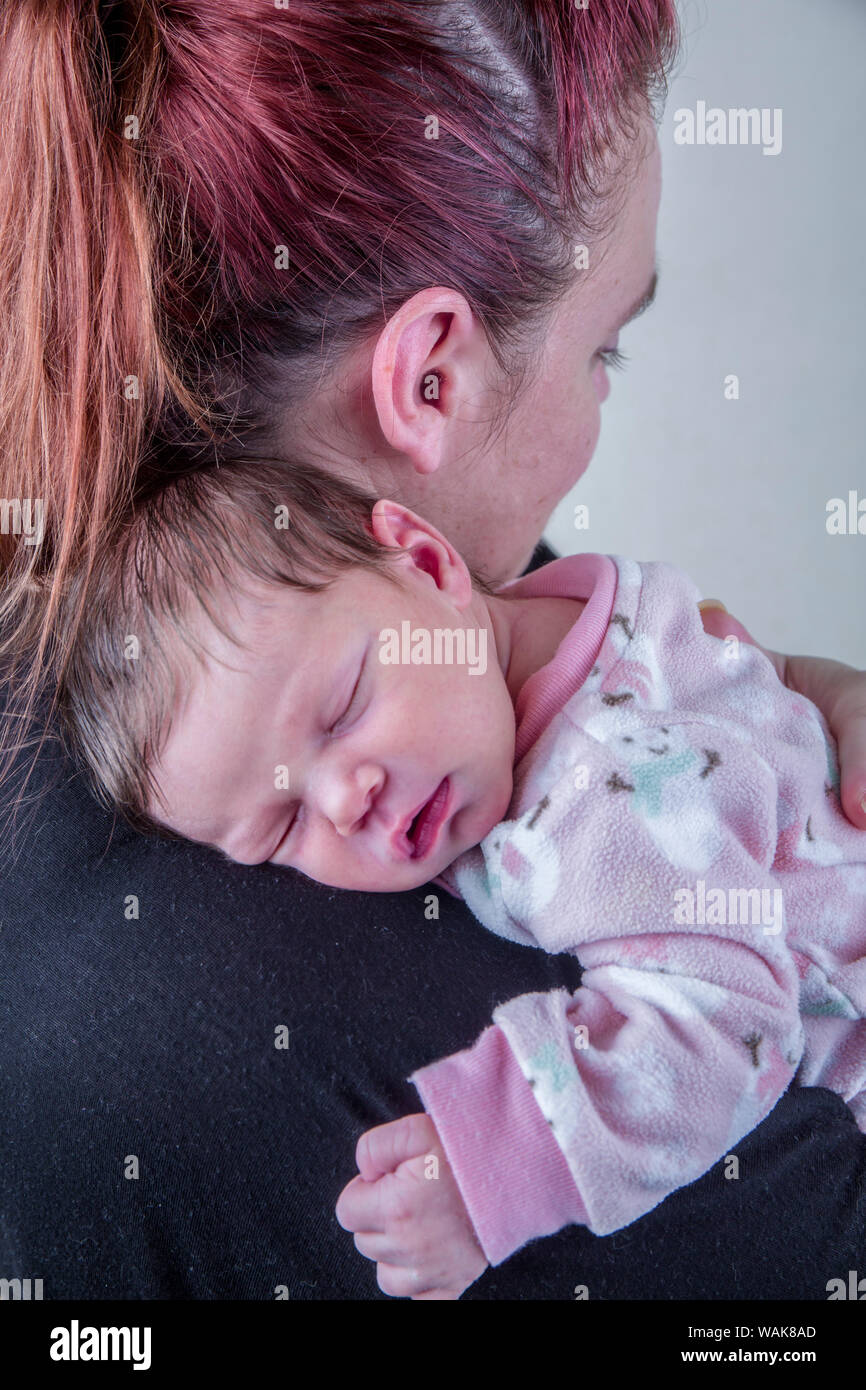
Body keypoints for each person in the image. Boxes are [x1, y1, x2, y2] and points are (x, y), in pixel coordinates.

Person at [1, 0, 865, 1301]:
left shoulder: (114, 703)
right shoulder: (346, 1027)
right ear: (428, 378)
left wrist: (796, 698)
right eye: (603, 346)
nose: (341, 795)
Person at [49, 459, 866, 1299]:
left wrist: (495, 1164)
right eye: (283, 825)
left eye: (343, 707)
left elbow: (722, 1025)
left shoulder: (591, 797)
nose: (341, 800)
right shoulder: (591, 606)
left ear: (432, 564)